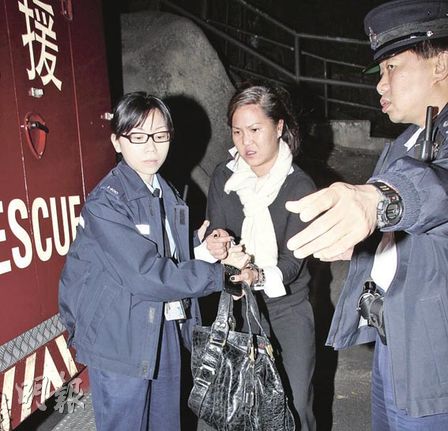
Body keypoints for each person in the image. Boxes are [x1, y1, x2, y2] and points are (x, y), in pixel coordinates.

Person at [285, 1, 448, 429]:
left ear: (440, 64)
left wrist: (378, 201)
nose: (380, 83)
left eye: (392, 67)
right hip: (394, 341)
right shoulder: (404, 143)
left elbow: (435, 188)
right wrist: (359, 240)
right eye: (380, 71)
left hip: (434, 355)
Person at [58, 92, 248, 431]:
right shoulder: (106, 203)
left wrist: (205, 249)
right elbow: (146, 272)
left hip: (164, 325)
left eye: (160, 136)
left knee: (166, 423)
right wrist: (219, 275)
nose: (151, 147)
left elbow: (168, 251)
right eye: (138, 137)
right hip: (119, 337)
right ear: (117, 141)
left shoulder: (164, 189)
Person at [205, 83, 317, 430]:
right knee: (237, 405)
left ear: (279, 127)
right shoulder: (224, 176)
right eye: (237, 132)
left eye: (255, 130)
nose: (246, 142)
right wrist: (215, 244)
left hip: (287, 308)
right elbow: (216, 232)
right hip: (238, 307)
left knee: (294, 403)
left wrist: (258, 275)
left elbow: (293, 261)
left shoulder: (299, 186)